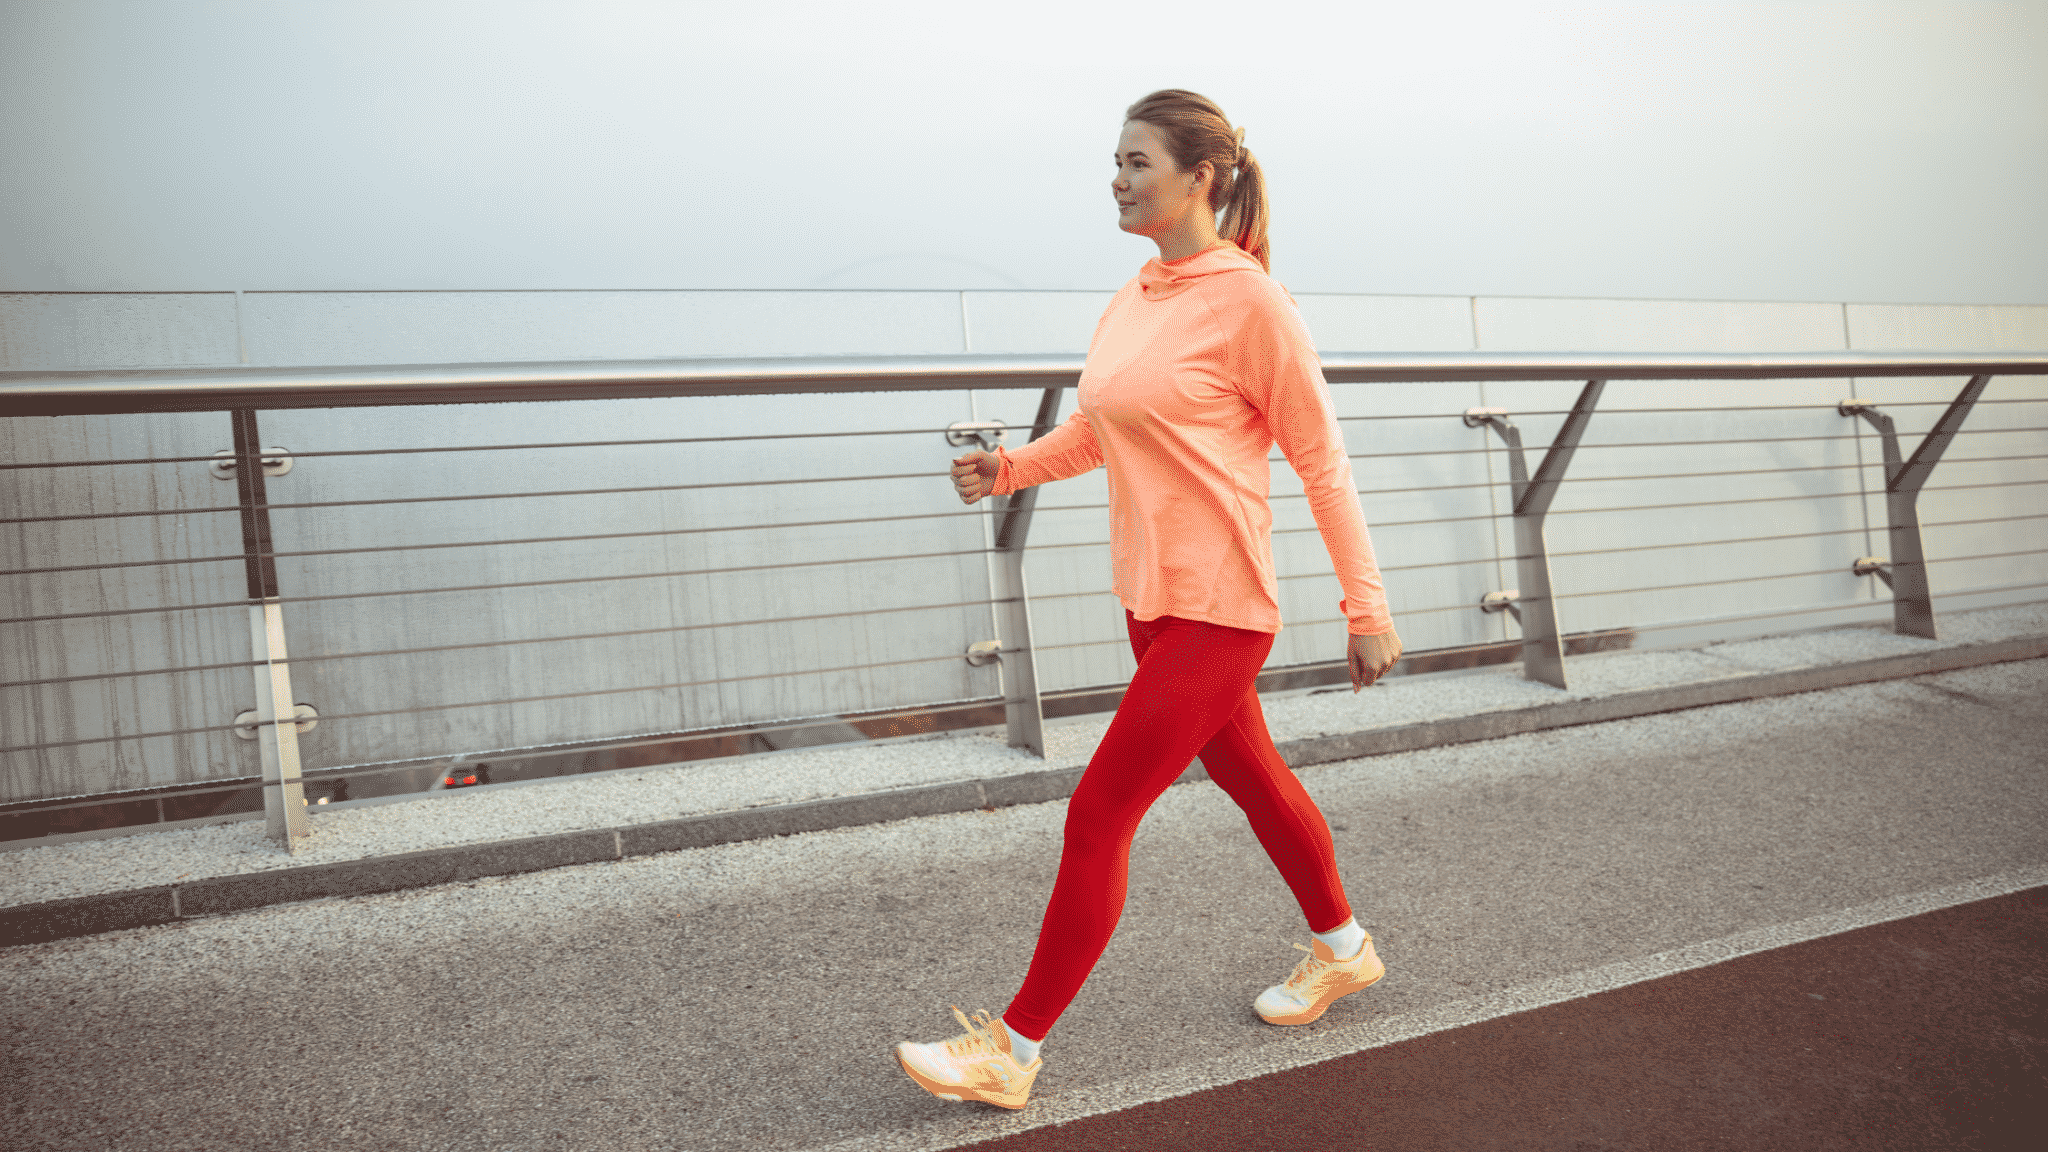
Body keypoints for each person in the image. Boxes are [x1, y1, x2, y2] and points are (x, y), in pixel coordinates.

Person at [894, 89, 1403, 1112]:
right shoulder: (1135, 296)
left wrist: (1366, 608)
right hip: (1152, 601)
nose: (1117, 179)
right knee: (1253, 778)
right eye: (1115, 162)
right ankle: (1342, 948)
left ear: (1198, 177)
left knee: (1098, 812)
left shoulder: (1252, 304)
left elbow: (1321, 461)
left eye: (1135, 162)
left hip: (1221, 610)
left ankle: (1013, 1049)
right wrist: (1007, 470)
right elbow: (1101, 429)